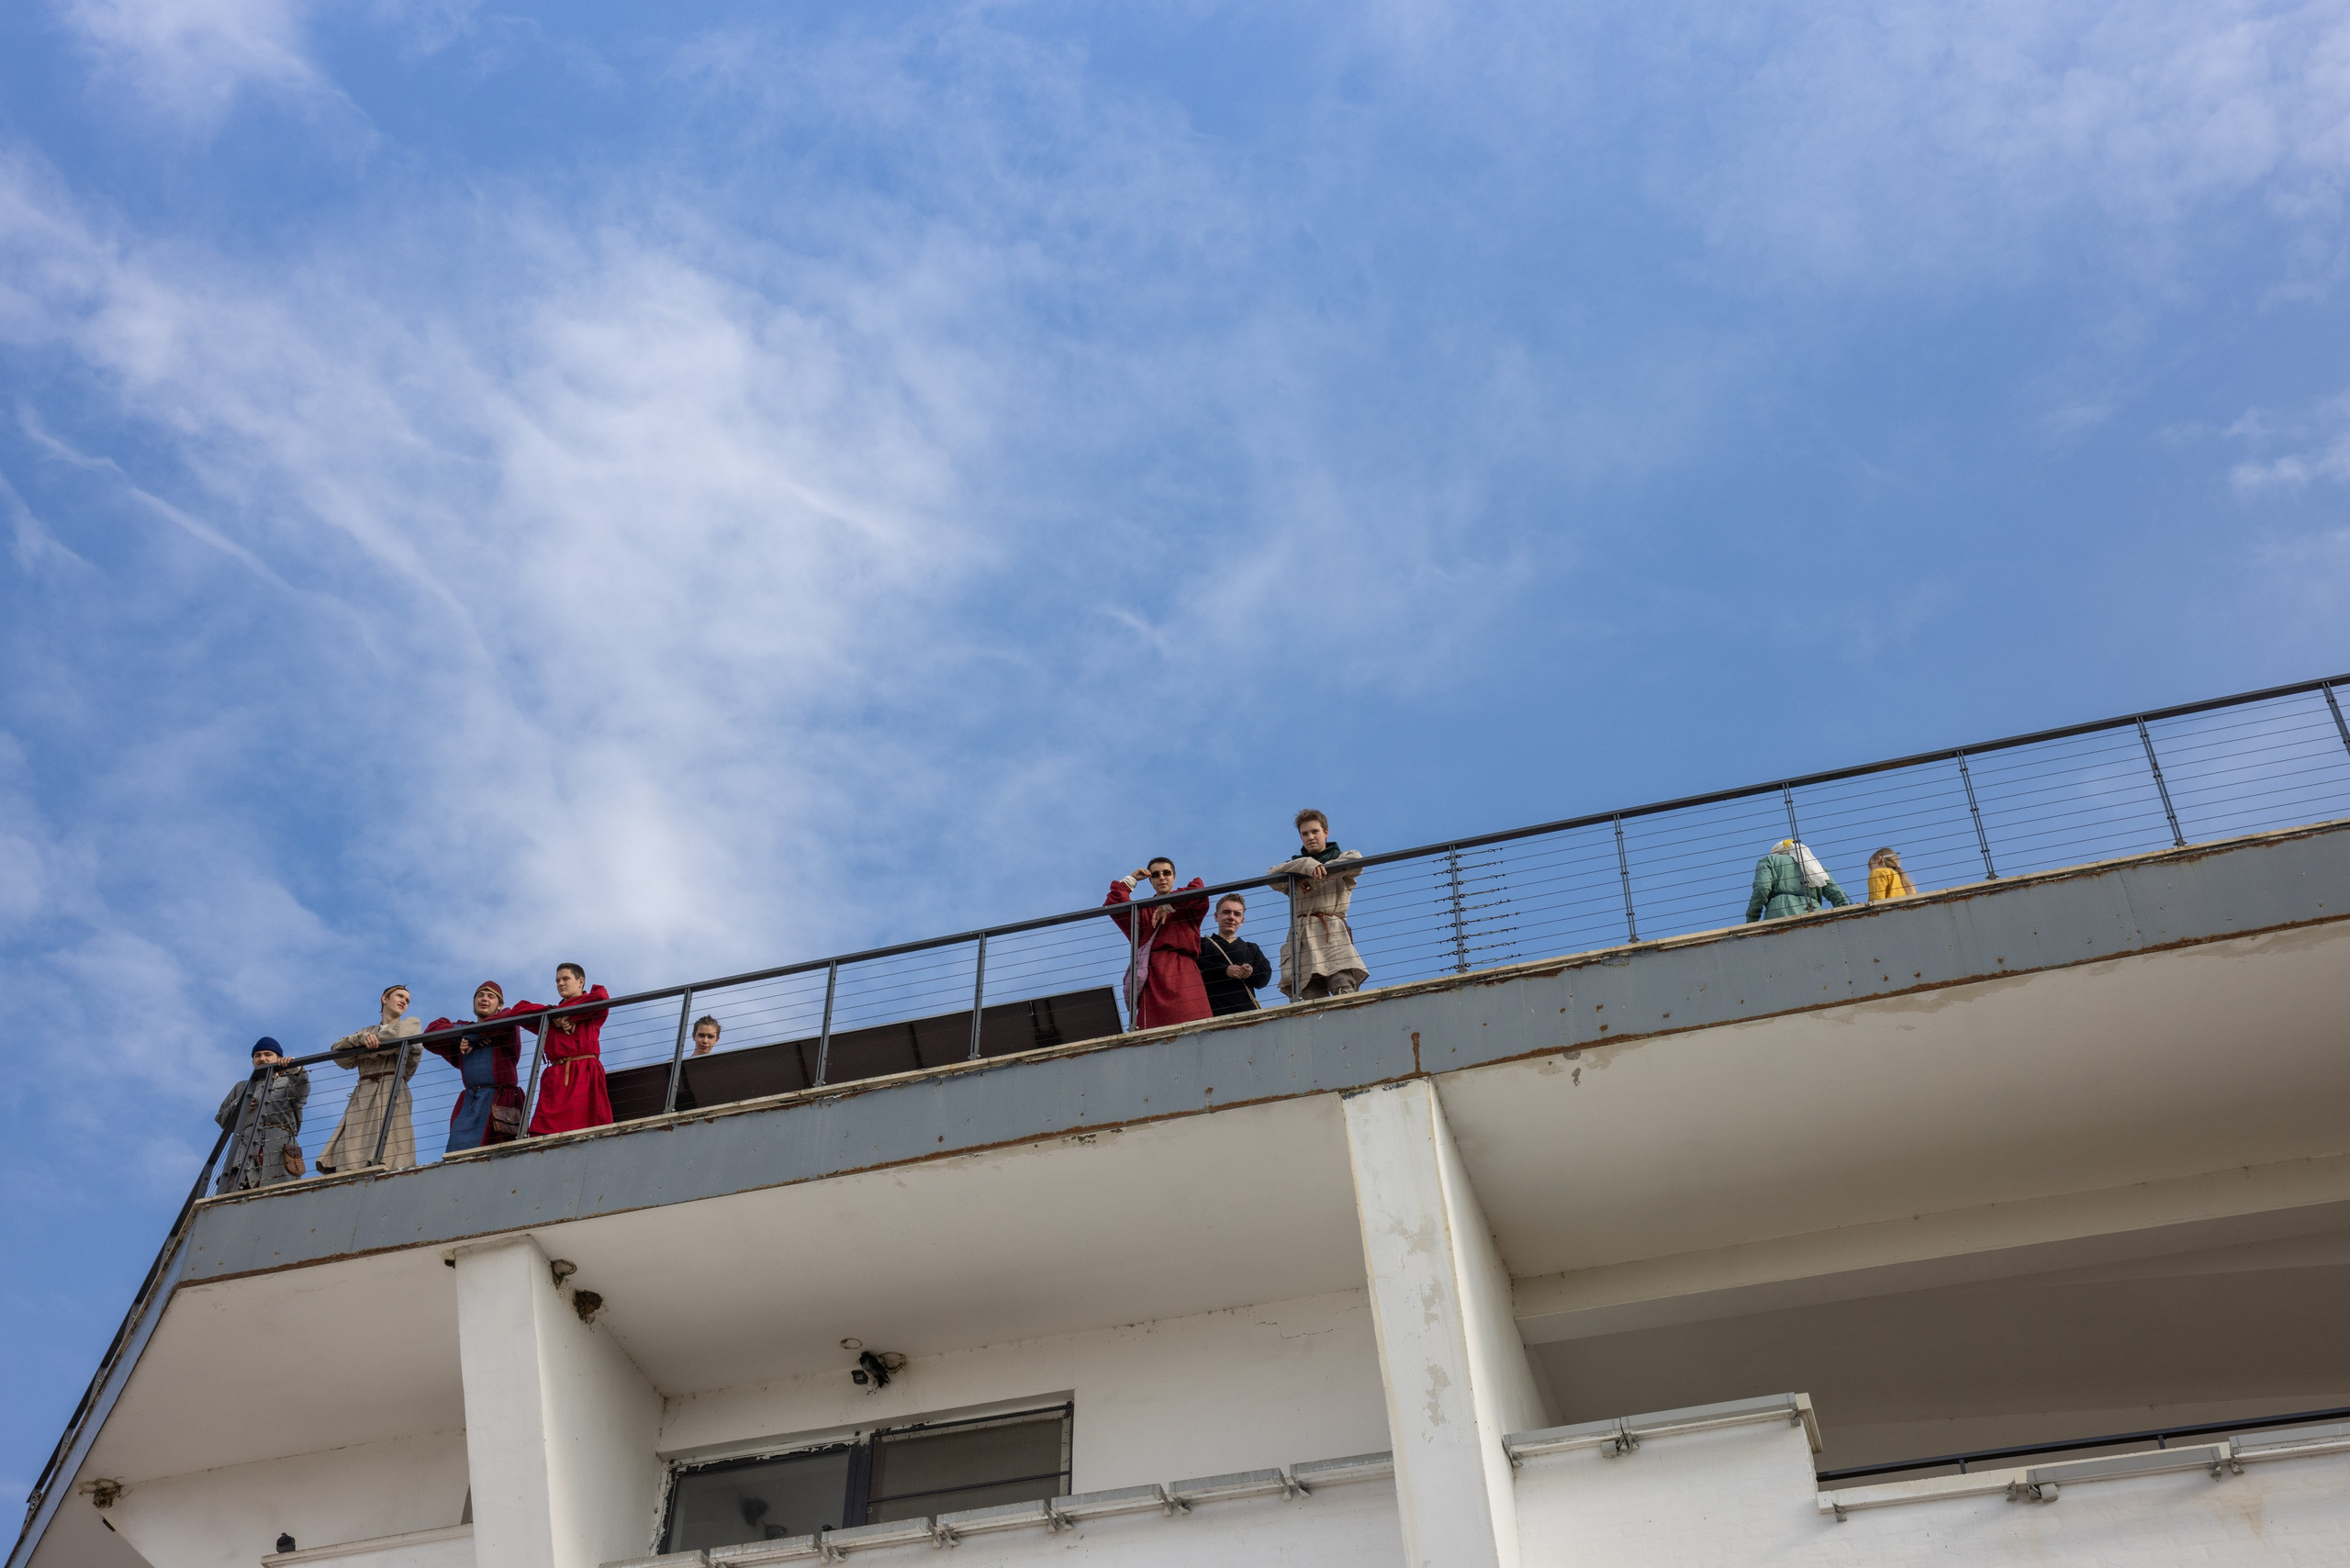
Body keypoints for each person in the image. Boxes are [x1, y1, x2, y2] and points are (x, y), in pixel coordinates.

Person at [316, 985, 425, 1175]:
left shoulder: (411, 1024)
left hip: (393, 1091)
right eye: (400, 996)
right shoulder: (366, 1031)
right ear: (384, 999)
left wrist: (367, 1047)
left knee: (393, 1151)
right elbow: (338, 1053)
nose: (404, 1002)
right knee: (354, 1152)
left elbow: (399, 1036)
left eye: (407, 1000)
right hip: (364, 1093)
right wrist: (364, 1039)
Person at [423, 981, 532, 1156]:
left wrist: (478, 1033)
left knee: (503, 1159)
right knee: (458, 1158)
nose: (485, 999)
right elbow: (430, 1033)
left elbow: (510, 1015)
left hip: (502, 1103)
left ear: (499, 1005)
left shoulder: (506, 1028)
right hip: (470, 1105)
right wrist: (465, 1033)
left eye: (491, 996)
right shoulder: (464, 1035)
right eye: (480, 995)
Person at [1270, 810, 1368, 1001]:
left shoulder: (1342, 858)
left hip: (1332, 932)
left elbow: (1356, 860)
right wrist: (1306, 865)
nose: (1310, 837)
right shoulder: (1295, 868)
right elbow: (1272, 876)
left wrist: (1317, 876)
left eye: (1315, 831)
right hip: (1302, 938)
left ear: (1326, 833)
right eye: (1305, 834)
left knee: (1343, 989)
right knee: (1310, 998)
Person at [1105, 858, 1214, 1029]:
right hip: (1153, 976)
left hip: (1184, 972)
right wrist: (1131, 880)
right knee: (1153, 1035)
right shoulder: (1143, 911)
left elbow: (1199, 889)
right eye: (1156, 875)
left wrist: (1169, 905)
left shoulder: (1186, 906)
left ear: (1174, 877)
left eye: (1166, 873)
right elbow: (1113, 902)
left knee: (1197, 1029)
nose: (1161, 877)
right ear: (1150, 881)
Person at [514, 963, 613, 1136]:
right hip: (556, 1078)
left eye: (565, 978)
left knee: (589, 1130)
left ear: (581, 981)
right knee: (543, 1133)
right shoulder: (549, 1017)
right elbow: (517, 1011)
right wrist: (553, 1015)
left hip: (584, 1072)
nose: (560, 983)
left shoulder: (590, 1007)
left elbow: (601, 996)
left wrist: (573, 1015)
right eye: (557, 980)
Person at [214, 1038, 309, 1193]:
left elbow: (302, 1091)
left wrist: (296, 1069)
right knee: (232, 1188)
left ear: (278, 1058)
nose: (262, 1058)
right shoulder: (242, 1087)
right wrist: (239, 1106)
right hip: (244, 1147)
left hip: (280, 1146)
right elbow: (221, 1118)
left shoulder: (289, 1081)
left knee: (280, 1195)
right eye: (257, 1055)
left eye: (267, 1054)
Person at [1195, 893, 1273, 1016]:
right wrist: (1225, 970)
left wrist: (1251, 972)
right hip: (1210, 1016)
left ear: (1242, 921)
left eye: (1237, 914)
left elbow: (1264, 977)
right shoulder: (1202, 944)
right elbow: (1195, 964)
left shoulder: (1252, 948)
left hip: (1247, 1016)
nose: (1231, 917)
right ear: (1216, 916)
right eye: (1226, 912)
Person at [1746, 839, 1851, 922]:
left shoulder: (1769, 861)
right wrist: (1845, 916)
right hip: (1814, 912)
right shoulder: (1815, 867)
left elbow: (1762, 888)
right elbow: (1837, 893)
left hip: (1779, 912)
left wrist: (1752, 919)